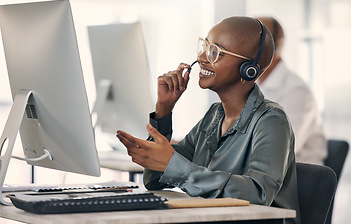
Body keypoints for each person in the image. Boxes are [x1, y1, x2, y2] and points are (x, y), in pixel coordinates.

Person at [117, 16, 300, 224]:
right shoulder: (214, 116)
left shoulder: (272, 120)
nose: (202, 57)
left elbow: (258, 194)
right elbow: (155, 179)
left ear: (248, 69)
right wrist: (164, 110)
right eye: (205, 46)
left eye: (215, 52)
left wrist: (175, 167)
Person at [256, 17, 327, 165]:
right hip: (263, 176)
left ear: (276, 46)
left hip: (298, 178)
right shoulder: (251, 86)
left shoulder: (297, 92)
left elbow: (279, 151)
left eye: (256, 41)